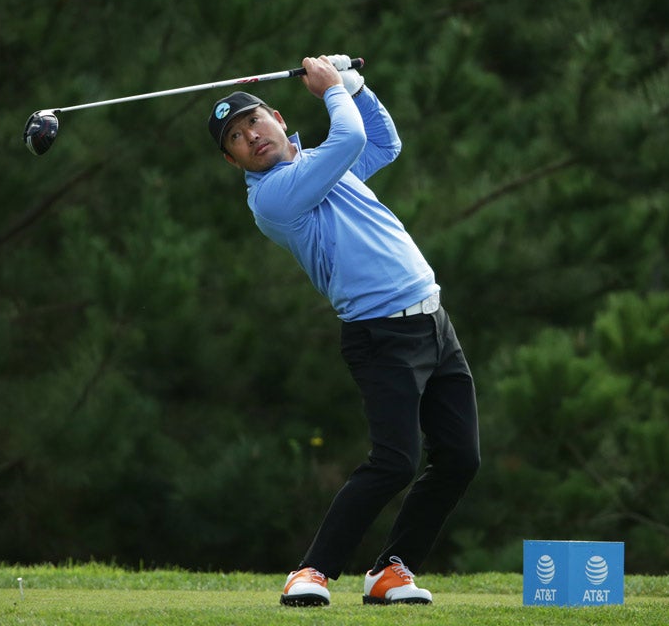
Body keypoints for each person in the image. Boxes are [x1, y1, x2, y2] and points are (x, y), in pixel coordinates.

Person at [206, 55, 481, 607]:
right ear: (234, 160)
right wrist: (333, 89)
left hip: (434, 324)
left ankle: (390, 571)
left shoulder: (320, 165)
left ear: (279, 118)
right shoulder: (275, 197)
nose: (251, 136)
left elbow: (383, 141)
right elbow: (351, 138)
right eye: (235, 138)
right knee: (394, 462)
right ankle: (312, 570)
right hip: (380, 337)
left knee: (459, 458)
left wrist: (353, 83)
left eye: (254, 121)